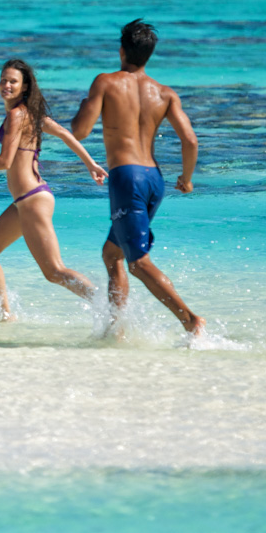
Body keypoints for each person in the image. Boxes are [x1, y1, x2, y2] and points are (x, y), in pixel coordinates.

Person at [69, 19, 208, 343]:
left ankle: (191, 321)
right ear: (149, 54)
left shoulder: (105, 82)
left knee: (138, 263)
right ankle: (117, 329)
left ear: (121, 50)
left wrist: (82, 108)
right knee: (112, 254)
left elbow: (80, 131)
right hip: (154, 179)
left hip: (126, 177)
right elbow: (190, 141)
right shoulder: (165, 93)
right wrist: (186, 180)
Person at [0, 58, 107, 320]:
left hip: (32, 200)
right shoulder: (31, 114)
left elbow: (4, 161)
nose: (6, 85)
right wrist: (91, 164)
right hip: (26, 201)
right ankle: (4, 315)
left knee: (54, 271)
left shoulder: (16, 115)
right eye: (3, 80)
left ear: (24, 86)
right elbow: (66, 134)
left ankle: (111, 306)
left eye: (13, 81)